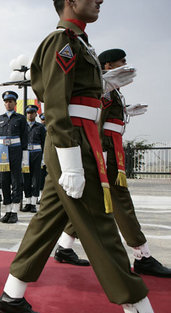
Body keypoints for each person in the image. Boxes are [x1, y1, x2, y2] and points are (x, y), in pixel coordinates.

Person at [0, 1, 171, 313]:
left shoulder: (80, 44)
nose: (100, 1)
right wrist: (73, 164)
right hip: (73, 143)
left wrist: (104, 85)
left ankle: (11, 298)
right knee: (101, 224)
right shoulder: (62, 41)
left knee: (47, 223)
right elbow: (57, 104)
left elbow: (78, 96)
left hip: (80, 140)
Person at [54, 48, 171, 277]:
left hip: (109, 148)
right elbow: (96, 121)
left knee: (89, 202)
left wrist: (126, 112)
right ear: (107, 66)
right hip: (106, 152)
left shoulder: (113, 91)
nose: (125, 65)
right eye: (121, 61)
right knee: (121, 202)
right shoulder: (105, 90)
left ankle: (64, 246)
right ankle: (142, 255)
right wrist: (100, 157)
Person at [0, 91, 28, 223]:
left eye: (11, 101)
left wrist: (25, 156)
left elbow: (25, 137)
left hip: (16, 151)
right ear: (4, 103)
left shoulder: (20, 118)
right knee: (4, 181)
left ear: (15, 103)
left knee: (16, 181)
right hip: (3, 153)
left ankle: (14, 211)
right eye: (6, 102)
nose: (8, 104)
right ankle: (7, 210)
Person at [20, 105, 46, 213]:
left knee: (36, 179)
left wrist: (44, 157)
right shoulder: (23, 126)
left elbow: (44, 143)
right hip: (25, 154)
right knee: (26, 178)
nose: (30, 114)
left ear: (36, 114)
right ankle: (28, 202)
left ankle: (34, 203)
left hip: (37, 153)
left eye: (32, 112)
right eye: (28, 113)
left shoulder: (40, 127)